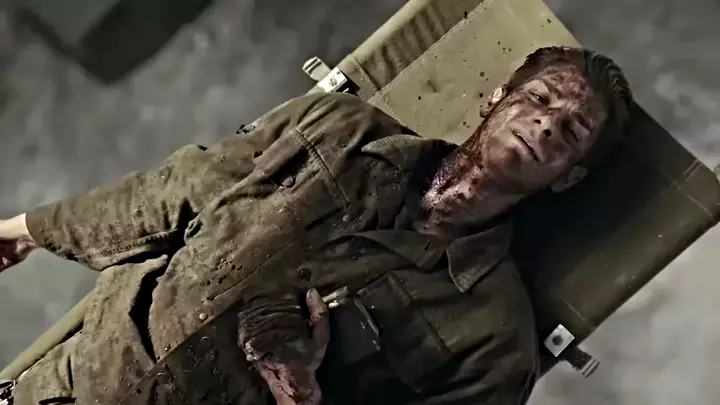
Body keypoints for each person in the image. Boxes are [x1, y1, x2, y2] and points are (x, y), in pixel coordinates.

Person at [0, 46, 631, 405]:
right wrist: (24, 229)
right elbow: (166, 196)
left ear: (569, 176)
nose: (546, 123)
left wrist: (303, 396)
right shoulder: (335, 129)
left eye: (572, 130)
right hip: (65, 389)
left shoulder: (493, 341)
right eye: (539, 98)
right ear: (496, 98)